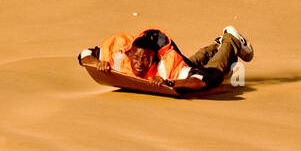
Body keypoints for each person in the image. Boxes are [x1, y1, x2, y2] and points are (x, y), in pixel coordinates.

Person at [81, 24, 253, 91]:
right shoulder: (118, 53)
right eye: (135, 59)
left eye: (145, 60)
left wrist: (170, 83)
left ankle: (231, 40)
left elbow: (200, 79)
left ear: (154, 60)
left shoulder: (167, 64)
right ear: (129, 53)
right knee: (189, 63)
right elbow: (84, 55)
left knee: (213, 76)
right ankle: (217, 45)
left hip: (187, 72)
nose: (139, 64)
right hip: (179, 65)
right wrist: (98, 64)